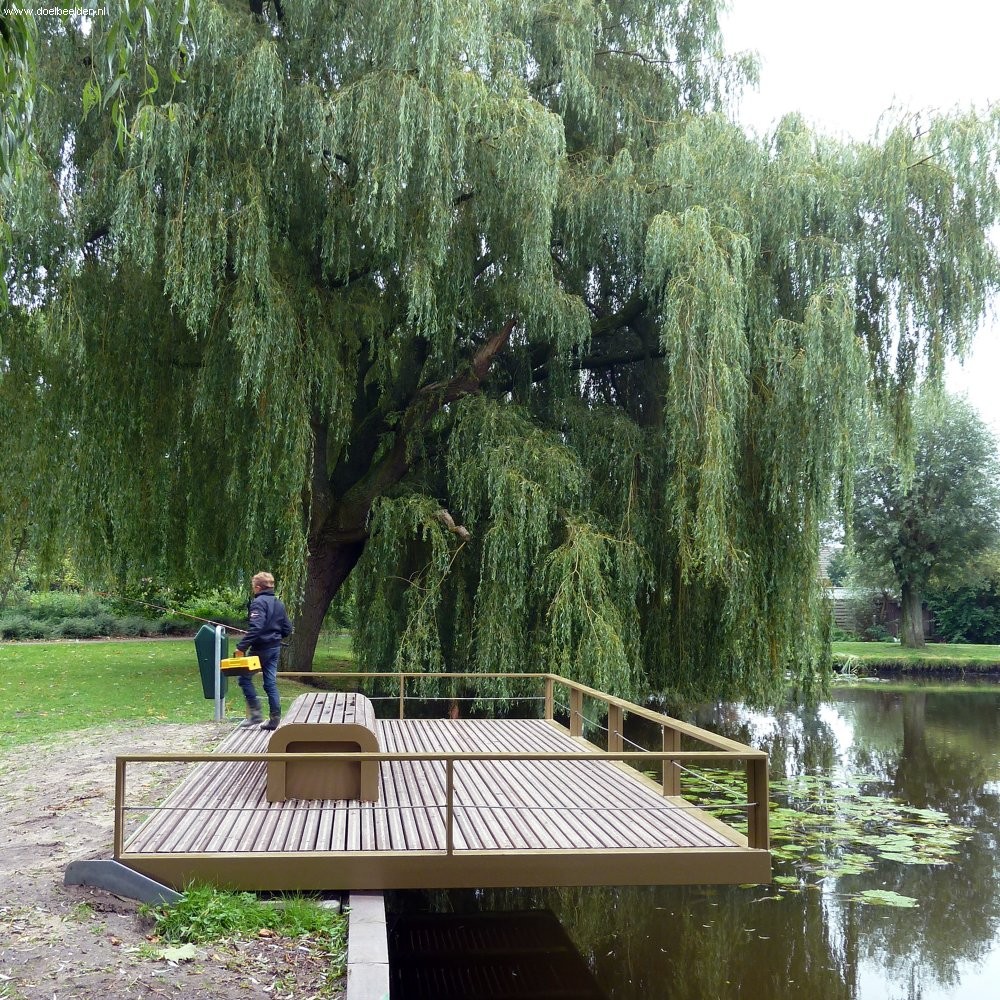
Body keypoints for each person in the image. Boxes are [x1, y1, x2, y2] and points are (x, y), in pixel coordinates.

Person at [234, 571, 293, 730]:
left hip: (260, 650)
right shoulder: (279, 603)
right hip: (275, 648)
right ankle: (274, 719)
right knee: (270, 683)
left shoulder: (258, 603)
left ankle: (256, 715)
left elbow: (256, 628)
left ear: (258, 587)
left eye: (253, 586)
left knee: (244, 679)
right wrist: (275, 636)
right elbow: (287, 629)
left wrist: (241, 647)